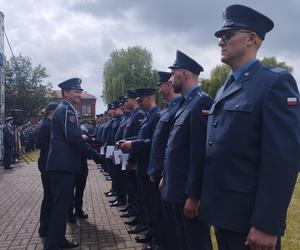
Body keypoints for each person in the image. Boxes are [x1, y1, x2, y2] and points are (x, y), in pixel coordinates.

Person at [200, 5, 300, 250]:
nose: (221, 41)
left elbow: (283, 158)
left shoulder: (275, 83)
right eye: (220, 37)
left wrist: (267, 224)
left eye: (228, 35)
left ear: (252, 39)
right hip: (223, 213)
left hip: (250, 221)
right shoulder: (226, 87)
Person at [160, 50, 213, 250]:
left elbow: (199, 152)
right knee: (182, 240)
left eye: (174, 74)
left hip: (187, 193)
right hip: (176, 186)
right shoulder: (185, 103)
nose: (171, 79)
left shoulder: (202, 102)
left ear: (185, 74)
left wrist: (194, 195)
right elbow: (174, 146)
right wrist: (166, 175)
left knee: (196, 242)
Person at [44, 78, 101, 250]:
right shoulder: (66, 110)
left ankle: (58, 240)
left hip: (62, 165)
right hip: (62, 166)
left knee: (61, 207)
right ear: (66, 93)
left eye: (80, 91)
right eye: (76, 92)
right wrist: (94, 155)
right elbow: (74, 138)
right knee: (60, 207)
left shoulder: (66, 109)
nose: (79, 95)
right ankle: (53, 244)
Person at [144, 71, 181, 250]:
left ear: (168, 85)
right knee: (160, 213)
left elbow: (171, 146)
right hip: (158, 170)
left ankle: (164, 243)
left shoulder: (177, 108)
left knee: (170, 219)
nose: (159, 89)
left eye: (161, 85)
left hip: (167, 173)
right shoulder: (167, 108)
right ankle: (160, 242)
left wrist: (164, 173)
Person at [120, 88, 161, 240]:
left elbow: (154, 142)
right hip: (143, 165)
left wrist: (133, 144)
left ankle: (153, 233)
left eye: (140, 100)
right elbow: (141, 136)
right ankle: (149, 230)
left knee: (151, 203)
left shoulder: (156, 115)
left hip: (148, 164)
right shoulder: (149, 115)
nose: (138, 102)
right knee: (146, 200)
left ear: (150, 98)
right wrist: (129, 141)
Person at [36, 102, 58, 237]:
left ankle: (44, 227)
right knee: (50, 197)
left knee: (48, 196)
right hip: (48, 164)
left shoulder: (44, 123)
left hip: (44, 162)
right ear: (52, 112)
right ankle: (45, 227)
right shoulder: (48, 126)